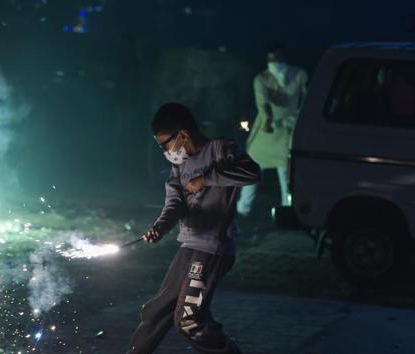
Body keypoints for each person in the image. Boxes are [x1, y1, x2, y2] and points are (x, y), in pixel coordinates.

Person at [127, 103, 260, 354]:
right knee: (156, 312)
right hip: (189, 246)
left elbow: (253, 173)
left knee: (189, 321)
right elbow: (174, 204)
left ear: (183, 135)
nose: (166, 151)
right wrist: (161, 227)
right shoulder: (179, 167)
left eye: (166, 144)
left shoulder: (221, 149)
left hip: (213, 248)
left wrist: (208, 179)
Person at [236, 42, 308, 217]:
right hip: (265, 133)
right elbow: (263, 103)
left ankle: (287, 211)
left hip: (288, 131)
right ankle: (242, 209)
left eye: (278, 55)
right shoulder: (262, 79)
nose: (275, 59)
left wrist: (293, 119)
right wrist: (268, 120)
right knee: (252, 170)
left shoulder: (299, 74)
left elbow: (306, 101)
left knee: (286, 174)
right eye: (272, 56)